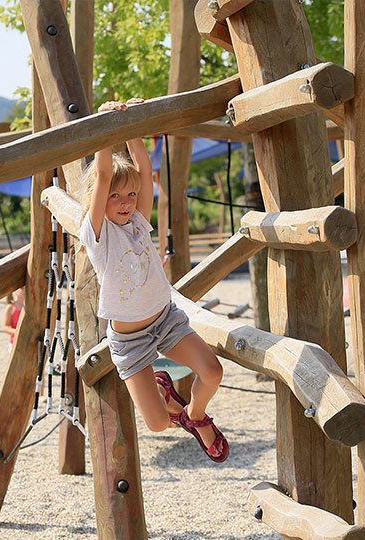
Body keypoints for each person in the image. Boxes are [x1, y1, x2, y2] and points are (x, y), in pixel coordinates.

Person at [78, 98, 228, 462]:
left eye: (130, 195)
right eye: (116, 196)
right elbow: (100, 176)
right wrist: (104, 126)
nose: (127, 201)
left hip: (165, 320)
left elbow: (143, 171)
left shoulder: (138, 224)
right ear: (100, 200)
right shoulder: (97, 236)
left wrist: (133, 126)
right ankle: (167, 395)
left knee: (213, 372)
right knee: (158, 424)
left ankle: (194, 417)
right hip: (129, 341)